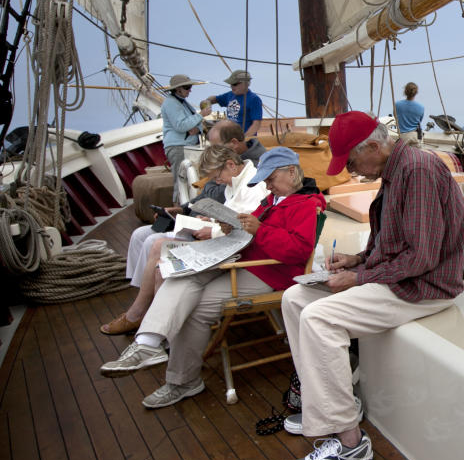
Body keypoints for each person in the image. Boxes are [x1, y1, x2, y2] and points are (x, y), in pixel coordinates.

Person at [280, 111, 464, 460]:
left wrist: (359, 277)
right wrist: (357, 259)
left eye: (350, 161)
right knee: (294, 298)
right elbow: (395, 244)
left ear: (373, 146)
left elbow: (422, 258)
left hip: (423, 288)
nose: (351, 171)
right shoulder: (396, 171)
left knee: (320, 319)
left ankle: (349, 443)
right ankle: (327, 404)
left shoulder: (418, 170)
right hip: (401, 278)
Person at [99, 147, 326, 409]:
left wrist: (259, 230)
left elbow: (299, 251)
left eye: (270, 179)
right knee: (180, 277)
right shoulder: (273, 200)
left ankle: (182, 381)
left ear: (291, 172)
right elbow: (254, 228)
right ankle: (147, 342)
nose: (267, 185)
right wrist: (233, 225)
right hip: (244, 261)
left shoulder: (307, 204)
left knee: (196, 307)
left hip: (269, 272)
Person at [103, 119, 265, 335]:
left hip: (234, 252)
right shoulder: (232, 181)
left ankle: (147, 322)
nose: (217, 182)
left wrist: (213, 228)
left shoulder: (253, 183)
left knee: (159, 250)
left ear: (231, 164)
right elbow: (232, 215)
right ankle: (149, 321)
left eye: (217, 177)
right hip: (221, 241)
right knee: (153, 244)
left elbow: (247, 226)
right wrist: (208, 220)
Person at [161, 74, 211, 203]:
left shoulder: (180, 102)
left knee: (187, 182)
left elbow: (194, 126)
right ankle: (178, 212)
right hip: (178, 147)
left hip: (184, 146)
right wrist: (201, 115)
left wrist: (196, 128)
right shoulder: (171, 103)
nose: (190, 90)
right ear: (178, 89)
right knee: (181, 183)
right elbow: (181, 126)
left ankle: (184, 210)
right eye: (187, 87)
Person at [201, 69, 263, 138]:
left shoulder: (254, 99)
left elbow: (256, 124)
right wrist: (206, 102)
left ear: (245, 83)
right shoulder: (230, 95)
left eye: (234, 84)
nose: (231, 86)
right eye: (231, 84)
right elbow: (214, 99)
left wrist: (244, 139)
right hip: (230, 139)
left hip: (244, 142)